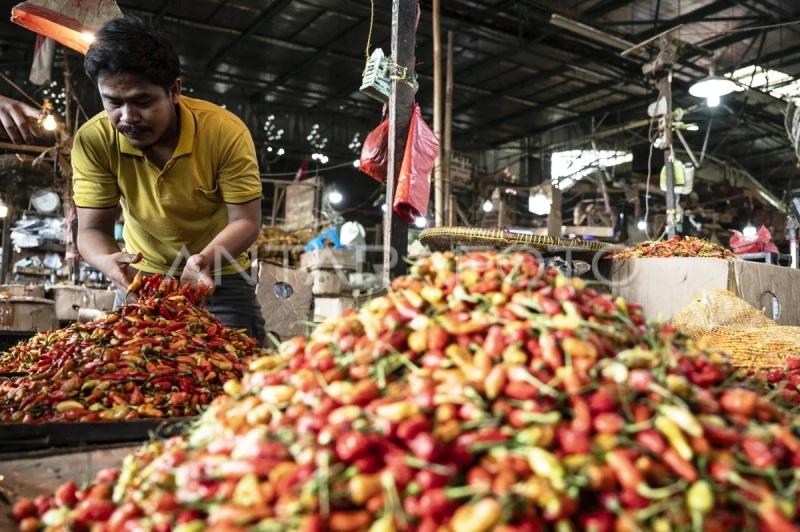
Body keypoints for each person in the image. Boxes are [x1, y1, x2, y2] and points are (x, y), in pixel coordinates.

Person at [72, 16, 266, 344]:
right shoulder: (93, 140)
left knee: (240, 375)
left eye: (143, 101)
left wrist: (203, 260)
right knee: (131, 377)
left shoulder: (224, 132)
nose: (128, 117)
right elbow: (91, 230)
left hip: (220, 274)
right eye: (113, 103)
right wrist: (108, 261)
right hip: (141, 278)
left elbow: (246, 220)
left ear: (174, 90)